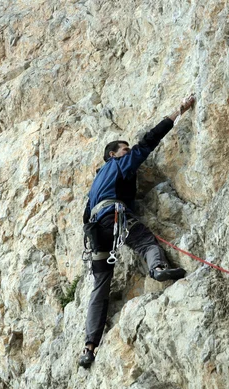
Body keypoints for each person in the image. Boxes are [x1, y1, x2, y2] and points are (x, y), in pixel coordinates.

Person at [78, 95, 196, 368]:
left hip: (95, 233)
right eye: (123, 149)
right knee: (146, 243)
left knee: (100, 287)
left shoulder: (96, 183)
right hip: (115, 218)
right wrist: (176, 112)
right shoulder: (119, 164)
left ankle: (89, 347)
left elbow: (86, 216)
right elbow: (147, 143)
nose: (128, 151)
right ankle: (157, 269)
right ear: (113, 154)